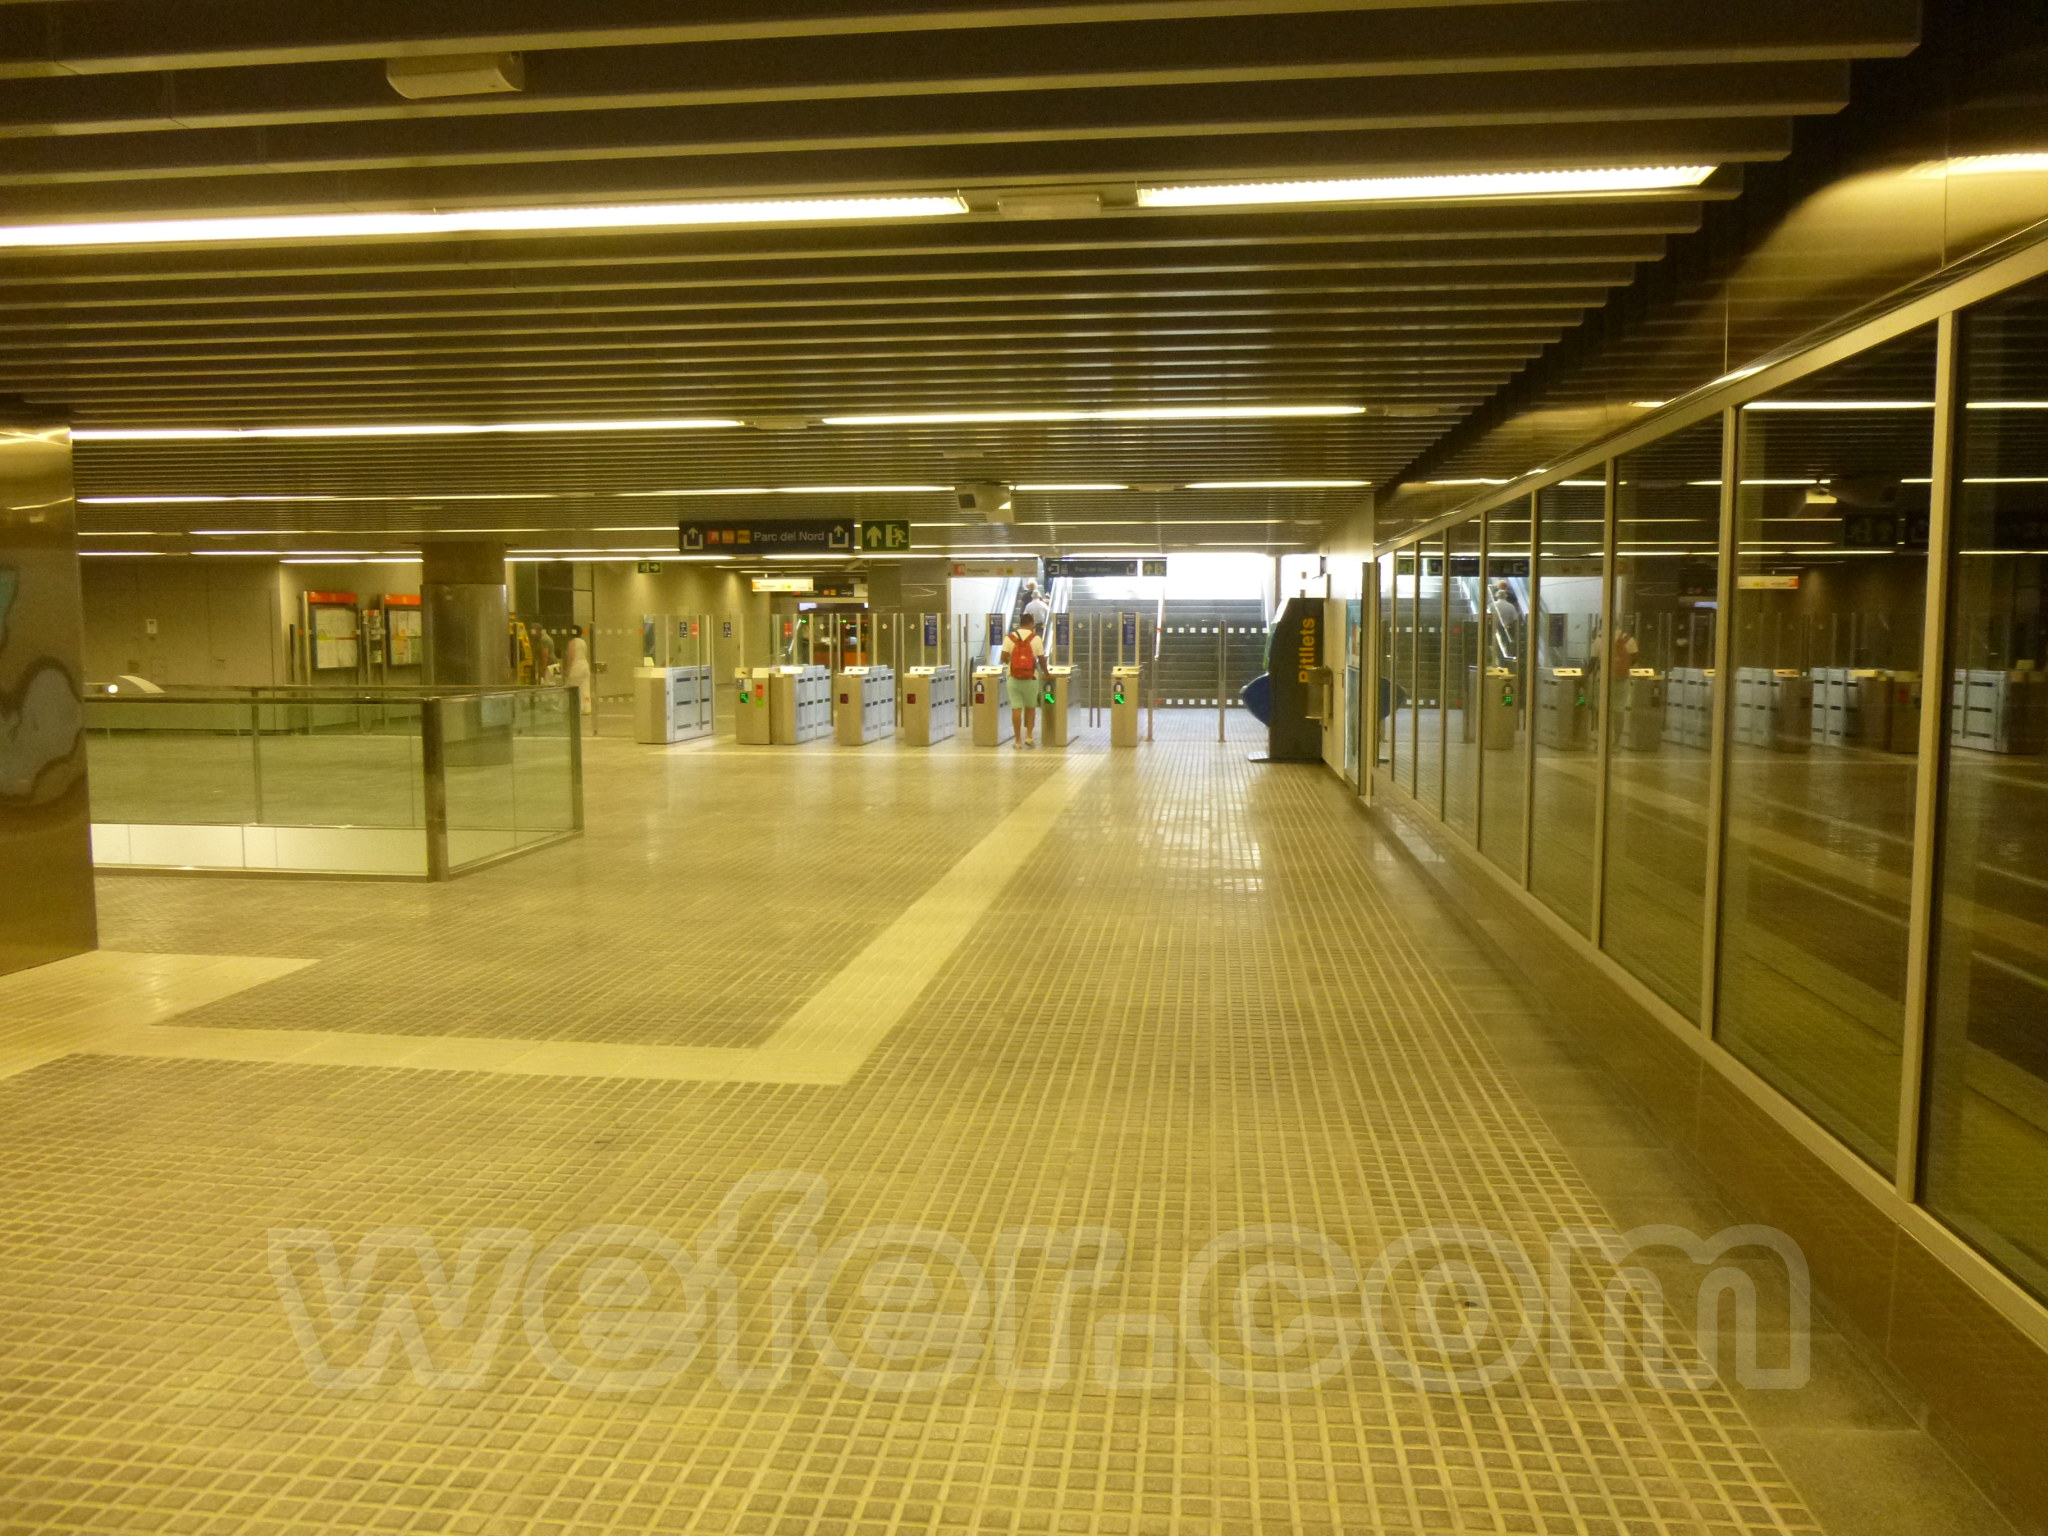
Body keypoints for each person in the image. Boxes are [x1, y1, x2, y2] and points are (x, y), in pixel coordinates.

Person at [1000, 614, 1047, 748]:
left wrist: (1013, 663)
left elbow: (1003, 657)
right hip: (1031, 678)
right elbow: (1041, 659)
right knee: (1031, 707)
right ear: (1031, 624)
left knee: (1016, 708)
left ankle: (1017, 740)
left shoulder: (1009, 638)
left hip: (1013, 678)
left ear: (1020, 624)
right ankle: (1029, 737)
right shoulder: (1036, 639)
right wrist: (1046, 673)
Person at [562, 625, 592, 716]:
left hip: (576, 667)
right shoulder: (583, 642)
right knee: (585, 689)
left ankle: (574, 708)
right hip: (585, 666)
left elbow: (571, 658)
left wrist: (567, 670)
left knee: (572, 688)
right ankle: (586, 708)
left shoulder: (572, 643)